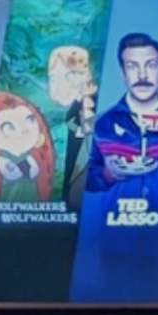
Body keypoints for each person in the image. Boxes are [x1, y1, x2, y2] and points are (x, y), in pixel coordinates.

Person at [87, 32, 158, 189]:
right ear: (122, 73)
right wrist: (108, 175)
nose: (142, 75)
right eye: (132, 66)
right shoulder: (100, 124)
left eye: (151, 65)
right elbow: (83, 183)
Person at [44, 43, 98, 205]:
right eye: (53, 78)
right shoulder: (71, 108)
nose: (57, 86)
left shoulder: (92, 105)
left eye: (68, 75)